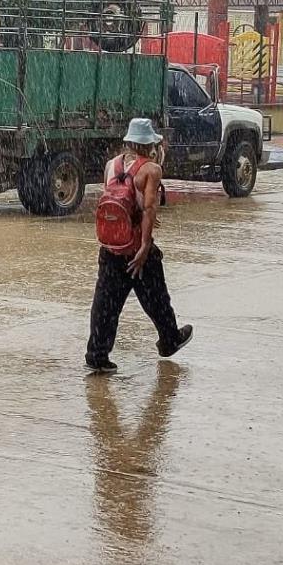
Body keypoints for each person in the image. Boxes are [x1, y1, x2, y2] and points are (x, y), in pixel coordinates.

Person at [86, 118, 193, 374]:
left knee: (105, 303)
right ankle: (169, 339)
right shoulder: (151, 170)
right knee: (155, 296)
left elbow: (111, 202)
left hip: (111, 247)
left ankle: (97, 354)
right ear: (150, 144)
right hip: (135, 249)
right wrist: (145, 246)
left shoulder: (112, 165)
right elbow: (148, 209)